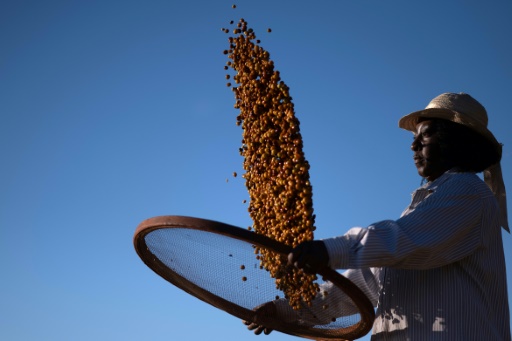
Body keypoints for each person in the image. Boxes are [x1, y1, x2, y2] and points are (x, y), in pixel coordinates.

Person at [245, 93, 511, 340]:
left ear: (458, 142)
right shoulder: (421, 209)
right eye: (414, 137)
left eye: (426, 136)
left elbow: (404, 241)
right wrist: (285, 310)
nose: (414, 145)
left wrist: (329, 249)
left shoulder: (467, 191)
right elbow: (362, 285)